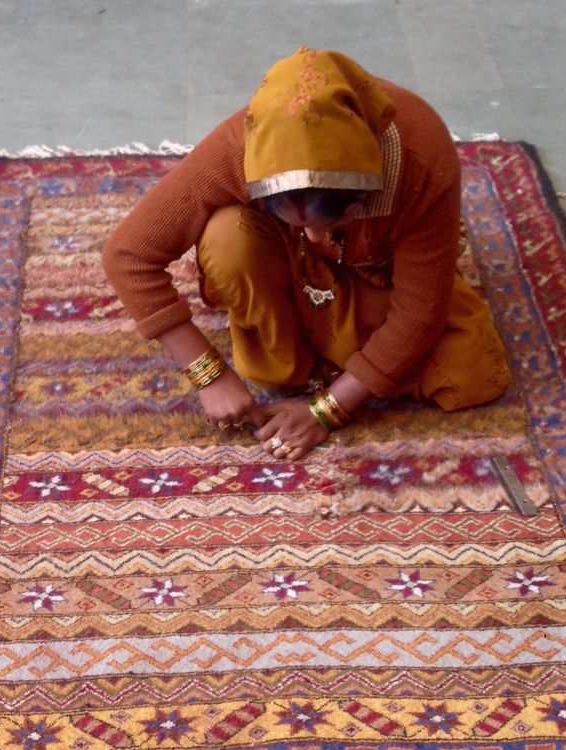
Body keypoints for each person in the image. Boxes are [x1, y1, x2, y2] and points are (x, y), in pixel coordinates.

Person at [101, 47, 510, 461]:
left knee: (472, 372)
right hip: (280, 262)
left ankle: (323, 366)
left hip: (375, 276)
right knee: (227, 237)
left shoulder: (420, 155)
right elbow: (127, 254)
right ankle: (309, 357)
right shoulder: (241, 146)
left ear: (366, 196)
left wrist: (328, 409)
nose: (314, 236)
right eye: (298, 224)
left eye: (331, 225)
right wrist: (209, 375)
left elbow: (419, 313)